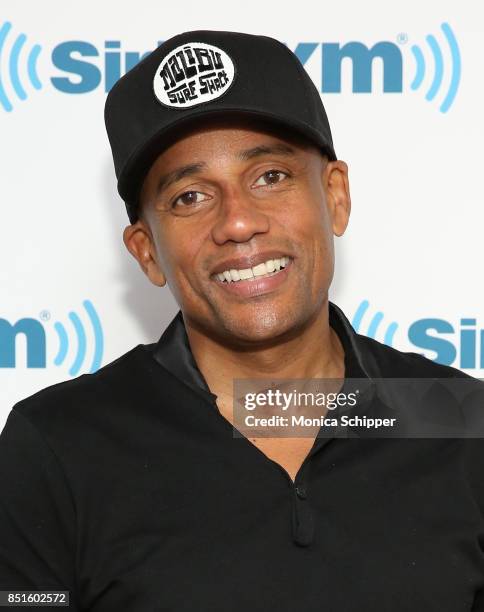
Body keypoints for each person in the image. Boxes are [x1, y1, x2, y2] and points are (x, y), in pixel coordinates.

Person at [1, 30, 483, 611]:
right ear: (146, 251)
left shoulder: (458, 421)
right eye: (190, 197)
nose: (237, 223)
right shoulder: (57, 445)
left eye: (270, 177)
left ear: (335, 196)